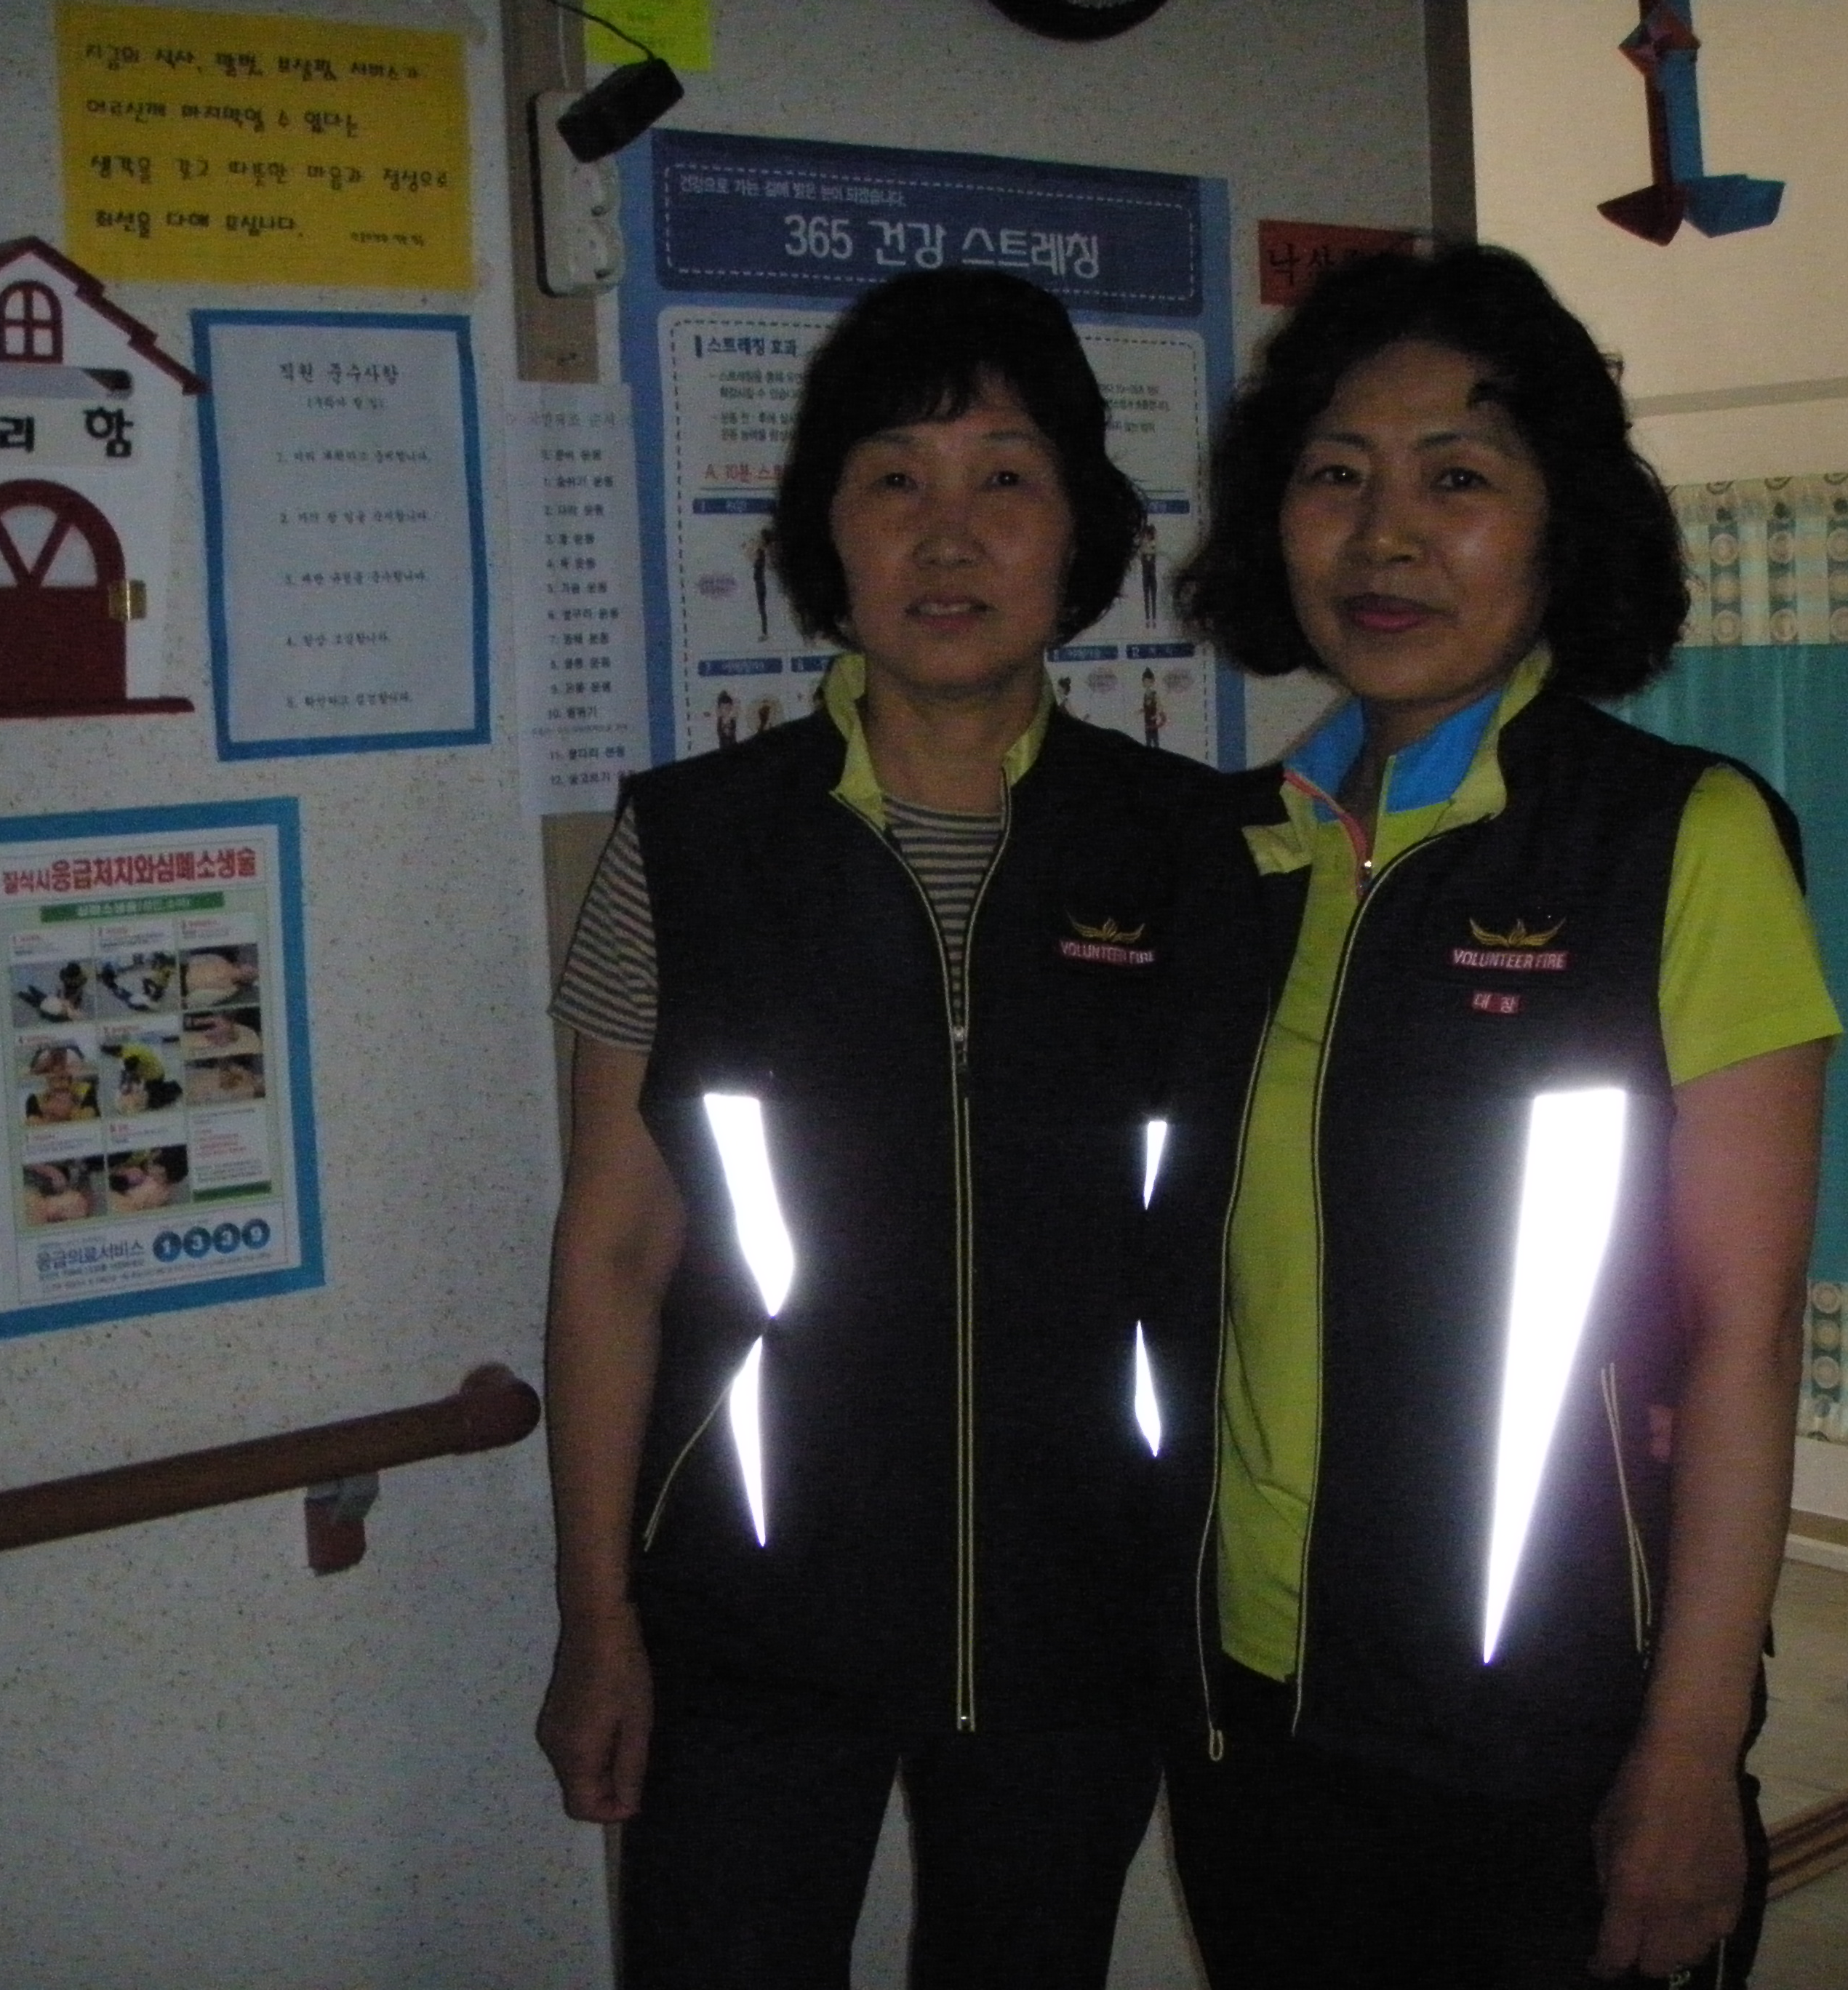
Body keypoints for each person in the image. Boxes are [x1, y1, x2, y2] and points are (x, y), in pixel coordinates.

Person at [536, 266, 1251, 1989]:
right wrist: (597, 1615)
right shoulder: (691, 848)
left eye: (1005, 477)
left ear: (1081, 531)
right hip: (747, 1611)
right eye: (892, 479)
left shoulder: (1198, 852)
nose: (949, 536)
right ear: (825, 535)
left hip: (1085, 1611)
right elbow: (613, 1252)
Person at [1155, 244, 1839, 1987]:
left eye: (1457, 479)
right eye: (1335, 476)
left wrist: (1690, 1749)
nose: (1383, 538)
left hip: (1557, 1726)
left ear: (1560, 526)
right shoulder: (1235, 858)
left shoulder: (1674, 841)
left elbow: (1749, 1336)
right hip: (1257, 1707)